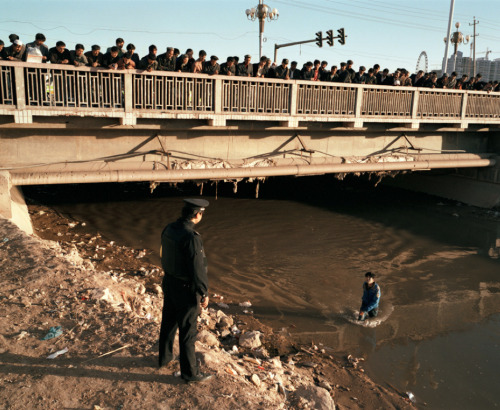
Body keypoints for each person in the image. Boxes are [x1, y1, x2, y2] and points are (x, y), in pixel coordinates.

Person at [158, 198, 213, 383]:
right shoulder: (192, 238)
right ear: (197, 215)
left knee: (168, 323)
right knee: (188, 332)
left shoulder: (169, 228)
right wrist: (204, 292)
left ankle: (164, 358)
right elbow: (198, 269)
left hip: (170, 282)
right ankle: (190, 374)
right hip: (185, 289)